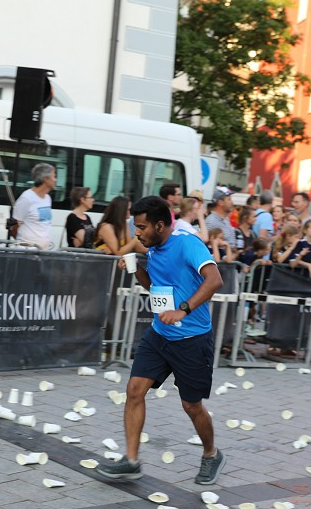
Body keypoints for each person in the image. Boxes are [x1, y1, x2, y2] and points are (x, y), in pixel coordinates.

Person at [96, 195, 226, 486]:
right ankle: (131, 461)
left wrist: (182, 310)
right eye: (135, 227)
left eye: (141, 227)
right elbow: (156, 287)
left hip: (192, 338)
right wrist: (136, 270)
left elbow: (215, 280)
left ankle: (211, 454)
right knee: (134, 391)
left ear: (160, 224)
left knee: (192, 406)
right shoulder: (153, 246)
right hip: (159, 335)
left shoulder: (187, 242)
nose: (136, 234)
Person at [12, 163, 56, 249]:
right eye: (54, 176)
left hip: (43, 250)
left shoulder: (47, 198)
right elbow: (14, 225)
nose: (55, 180)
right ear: (46, 179)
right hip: (27, 252)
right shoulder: (26, 198)